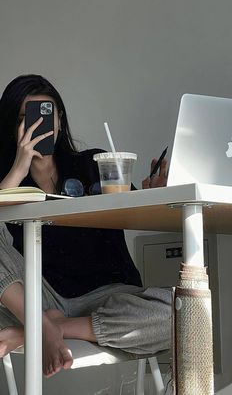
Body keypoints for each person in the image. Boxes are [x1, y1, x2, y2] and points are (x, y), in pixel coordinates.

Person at [0, 74, 171, 378]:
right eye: (25, 118)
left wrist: (155, 194)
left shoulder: (95, 164)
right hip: (37, 297)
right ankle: (40, 322)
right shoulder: (8, 181)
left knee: (181, 315)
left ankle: (44, 328)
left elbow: (137, 210)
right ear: (12, 126)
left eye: (46, 114)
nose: (38, 125)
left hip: (108, 297)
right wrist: (18, 168)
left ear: (60, 120)